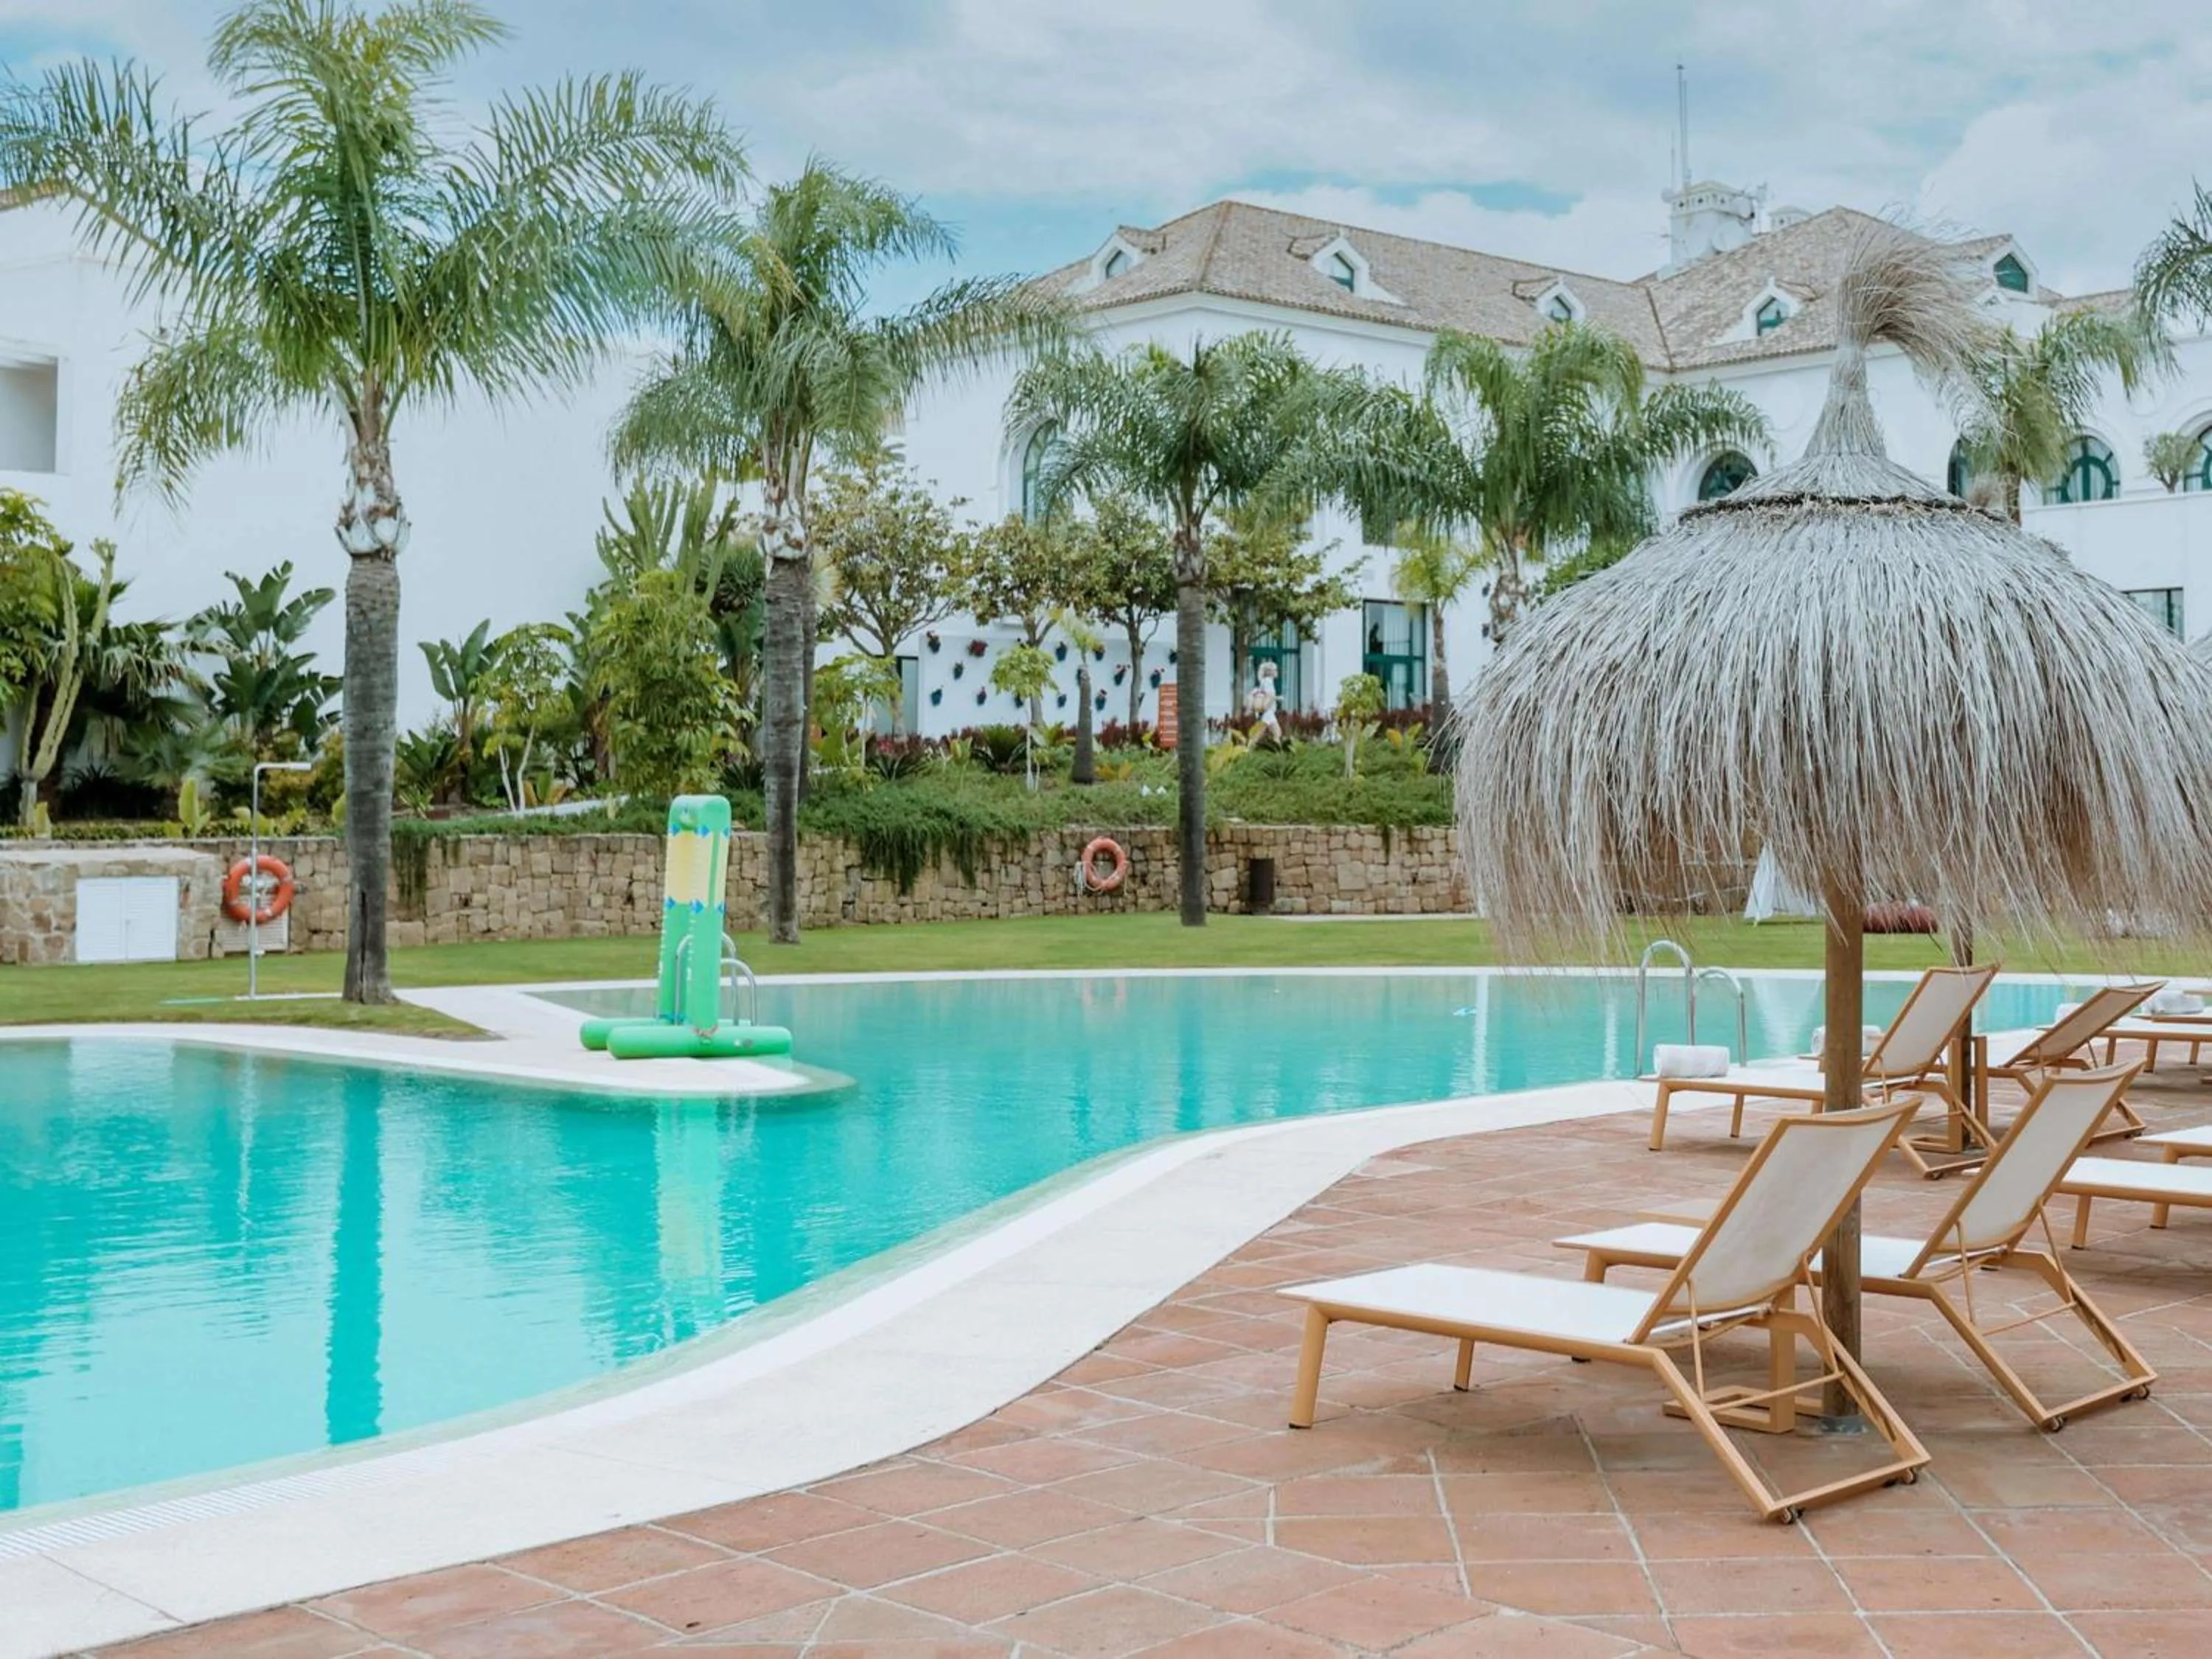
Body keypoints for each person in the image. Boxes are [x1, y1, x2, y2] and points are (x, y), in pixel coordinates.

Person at [1244, 659, 1282, 742]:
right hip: (1268, 712)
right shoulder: (1268, 681)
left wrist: (1277, 698)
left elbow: (1267, 695)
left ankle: (1248, 750)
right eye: (1275, 670)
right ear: (1271, 672)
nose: (1277, 672)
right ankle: (1279, 752)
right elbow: (1270, 696)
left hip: (1266, 712)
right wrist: (1277, 698)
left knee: (1263, 734)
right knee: (1276, 733)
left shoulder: (1265, 681)